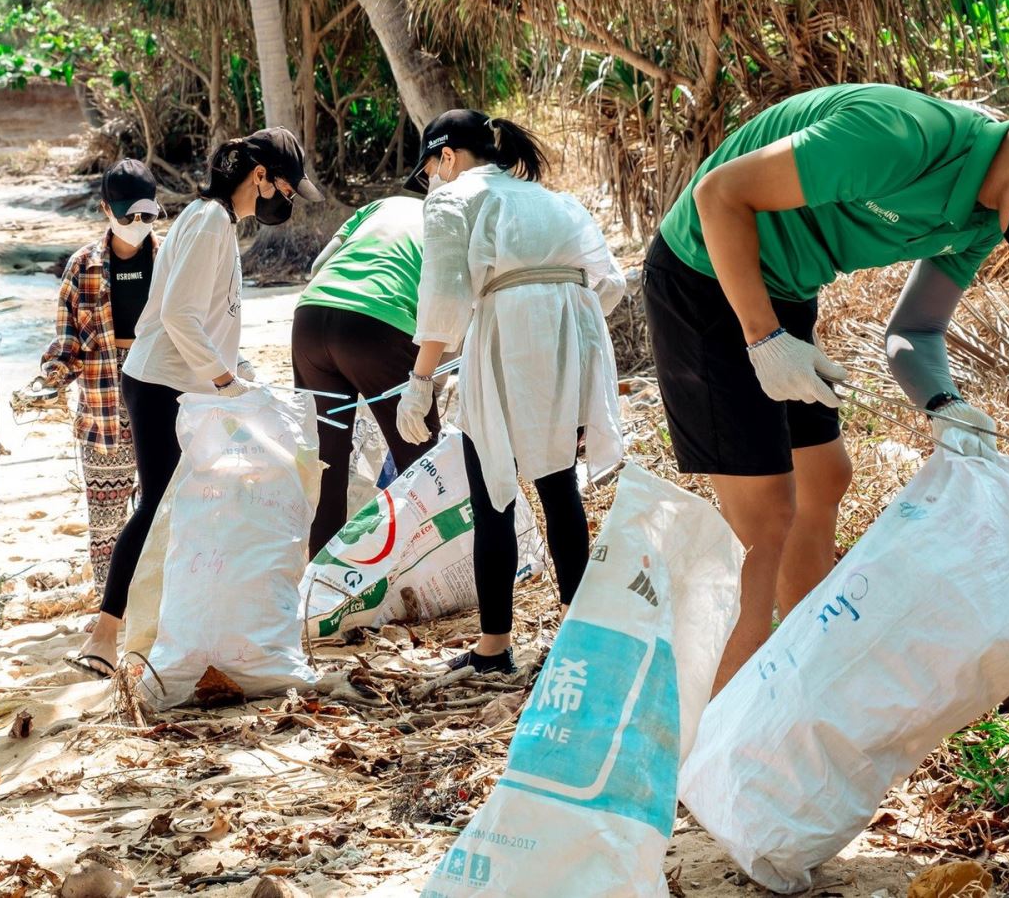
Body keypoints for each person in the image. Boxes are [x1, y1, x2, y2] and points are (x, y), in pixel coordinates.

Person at [641, 85, 1009, 694]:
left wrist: (945, 404)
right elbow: (719, 194)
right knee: (765, 516)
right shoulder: (899, 138)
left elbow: (916, 329)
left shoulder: (983, 218)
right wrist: (764, 339)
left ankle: (801, 682)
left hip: (783, 289)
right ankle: (713, 719)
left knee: (824, 477)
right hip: (704, 274)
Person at [67, 128, 323, 678]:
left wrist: (242, 375)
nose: (286, 199)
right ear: (259, 177)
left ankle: (153, 630)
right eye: (285, 188)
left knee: (177, 507)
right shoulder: (209, 222)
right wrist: (225, 383)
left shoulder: (215, 221)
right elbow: (179, 316)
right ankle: (103, 637)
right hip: (161, 383)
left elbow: (206, 319)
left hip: (181, 383)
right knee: (156, 504)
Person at [397, 110, 627, 675]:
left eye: (429, 169)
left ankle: (494, 645)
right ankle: (574, 633)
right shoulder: (553, 199)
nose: (431, 180)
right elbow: (612, 282)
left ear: (446, 156)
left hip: (507, 338)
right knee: (558, 485)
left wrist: (420, 381)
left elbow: (444, 297)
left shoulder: (453, 199)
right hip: (571, 335)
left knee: (491, 492)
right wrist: (563, 328)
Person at [29, 160, 163, 596]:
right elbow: (67, 344)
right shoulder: (82, 266)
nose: (137, 224)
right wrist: (48, 381)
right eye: (128, 215)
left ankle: (154, 604)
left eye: (146, 214)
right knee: (107, 525)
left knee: (162, 512)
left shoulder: (170, 260)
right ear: (106, 209)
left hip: (163, 403)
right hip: (103, 411)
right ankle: (111, 608)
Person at [292, 188, 440, 555]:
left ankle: (321, 575)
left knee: (326, 463)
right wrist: (427, 387)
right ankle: (417, 566)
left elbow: (318, 266)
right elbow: (446, 315)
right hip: (377, 324)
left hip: (311, 318)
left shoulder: (378, 206)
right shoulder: (448, 221)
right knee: (423, 461)